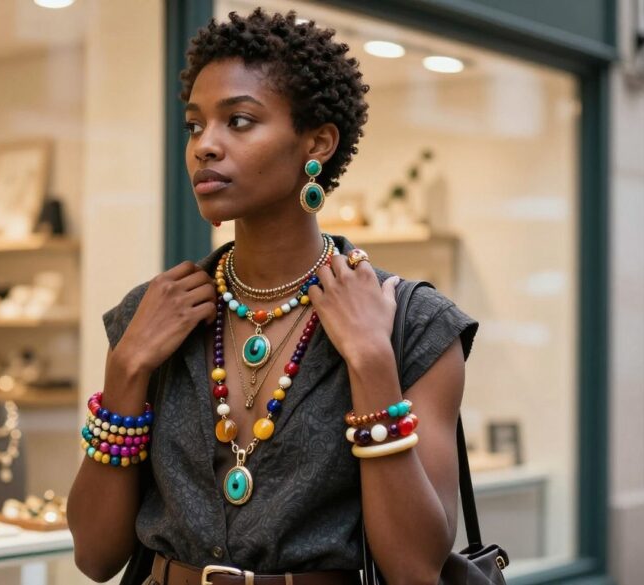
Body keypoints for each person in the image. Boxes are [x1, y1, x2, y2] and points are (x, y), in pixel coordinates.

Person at [68, 9, 478, 585]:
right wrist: (127, 368)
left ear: (318, 142)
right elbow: (93, 555)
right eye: (194, 126)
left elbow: (414, 568)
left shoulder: (412, 323)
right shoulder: (152, 315)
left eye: (238, 121)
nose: (204, 146)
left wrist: (370, 363)